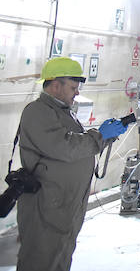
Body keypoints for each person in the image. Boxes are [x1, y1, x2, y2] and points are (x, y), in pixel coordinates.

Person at [15, 57, 127, 271]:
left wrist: (107, 137)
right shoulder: (37, 111)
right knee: (39, 260)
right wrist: (98, 136)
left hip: (65, 208)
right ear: (56, 85)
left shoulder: (63, 113)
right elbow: (64, 147)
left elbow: (77, 147)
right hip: (46, 208)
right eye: (73, 87)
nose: (77, 93)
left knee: (60, 259)